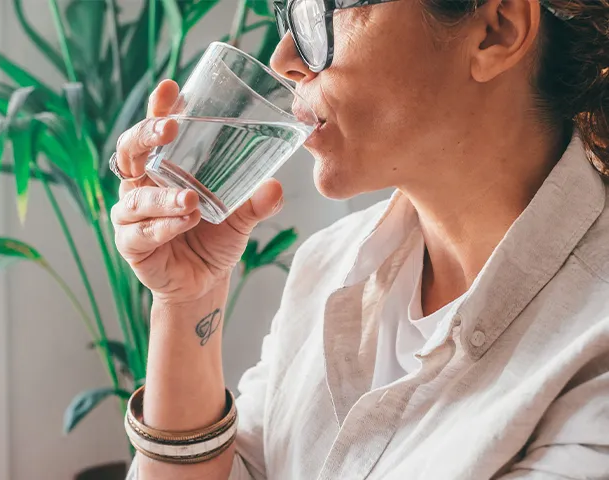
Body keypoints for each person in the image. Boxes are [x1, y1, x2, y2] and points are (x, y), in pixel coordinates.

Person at [110, 0, 609, 478]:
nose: (284, 60)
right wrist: (188, 300)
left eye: (319, 9)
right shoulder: (325, 267)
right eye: (285, 11)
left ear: (496, 30)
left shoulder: (593, 344)